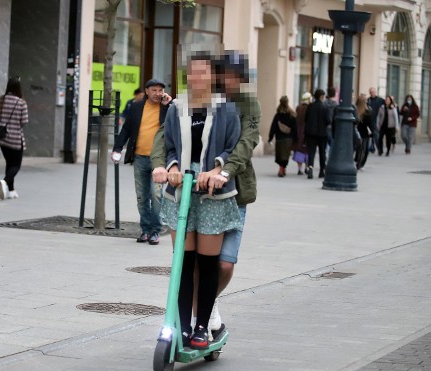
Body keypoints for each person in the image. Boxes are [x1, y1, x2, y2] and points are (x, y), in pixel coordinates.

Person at [152, 50, 260, 334]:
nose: (228, 81)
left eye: (234, 77)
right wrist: (164, 166)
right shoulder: (180, 106)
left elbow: (242, 144)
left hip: (228, 192)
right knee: (187, 262)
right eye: (226, 75)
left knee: (221, 265)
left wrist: (220, 171)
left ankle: (205, 312)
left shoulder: (242, 106)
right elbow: (166, 140)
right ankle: (188, 323)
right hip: (185, 191)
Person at [112, 78, 171, 245]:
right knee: (142, 197)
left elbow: (175, 125)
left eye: (160, 90)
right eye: (154, 90)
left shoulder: (167, 108)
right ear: (146, 91)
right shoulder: (137, 107)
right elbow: (127, 129)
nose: (158, 93)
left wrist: (169, 105)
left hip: (158, 160)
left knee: (156, 195)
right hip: (139, 158)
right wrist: (117, 148)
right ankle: (145, 230)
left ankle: (155, 231)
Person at [0, 77, 29, 200]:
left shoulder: (1, 100)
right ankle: (5, 182)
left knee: (9, 163)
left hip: (3, 138)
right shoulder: (21, 103)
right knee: (16, 165)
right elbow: (24, 121)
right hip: (15, 138)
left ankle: (11, 190)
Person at [304, 88, 331, 179]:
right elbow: (328, 121)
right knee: (322, 152)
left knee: (311, 152)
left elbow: (306, 119)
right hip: (322, 134)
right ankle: (321, 170)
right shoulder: (325, 108)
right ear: (321, 96)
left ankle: (310, 168)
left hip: (311, 133)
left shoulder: (310, 106)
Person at [268, 96, 297, 177]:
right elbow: (295, 127)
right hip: (289, 138)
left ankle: (281, 169)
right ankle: (282, 168)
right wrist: (295, 139)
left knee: (280, 155)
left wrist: (270, 137)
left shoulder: (278, 115)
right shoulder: (291, 114)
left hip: (279, 138)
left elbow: (273, 127)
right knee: (286, 155)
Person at [292, 92, 311, 175]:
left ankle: (300, 169)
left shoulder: (298, 108)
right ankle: (307, 167)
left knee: (299, 150)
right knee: (307, 150)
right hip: (307, 131)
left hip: (299, 131)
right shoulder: (310, 108)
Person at [354, 94, 373, 170]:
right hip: (365, 133)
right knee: (364, 149)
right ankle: (360, 164)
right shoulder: (367, 112)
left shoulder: (355, 110)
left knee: (359, 149)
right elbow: (370, 123)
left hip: (357, 132)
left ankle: (356, 161)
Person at [367, 87, 385, 155]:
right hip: (369, 120)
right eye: (371, 92)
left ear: (375, 92)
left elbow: (386, 105)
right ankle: (371, 148)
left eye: (373, 92)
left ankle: (380, 149)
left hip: (376, 121)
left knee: (376, 135)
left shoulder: (380, 100)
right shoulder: (368, 100)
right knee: (370, 136)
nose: (372, 93)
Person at [324, 86, 339, 161]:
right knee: (332, 144)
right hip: (333, 127)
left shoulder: (324, 103)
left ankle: (324, 157)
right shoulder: (336, 105)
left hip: (324, 126)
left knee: (325, 145)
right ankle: (330, 159)